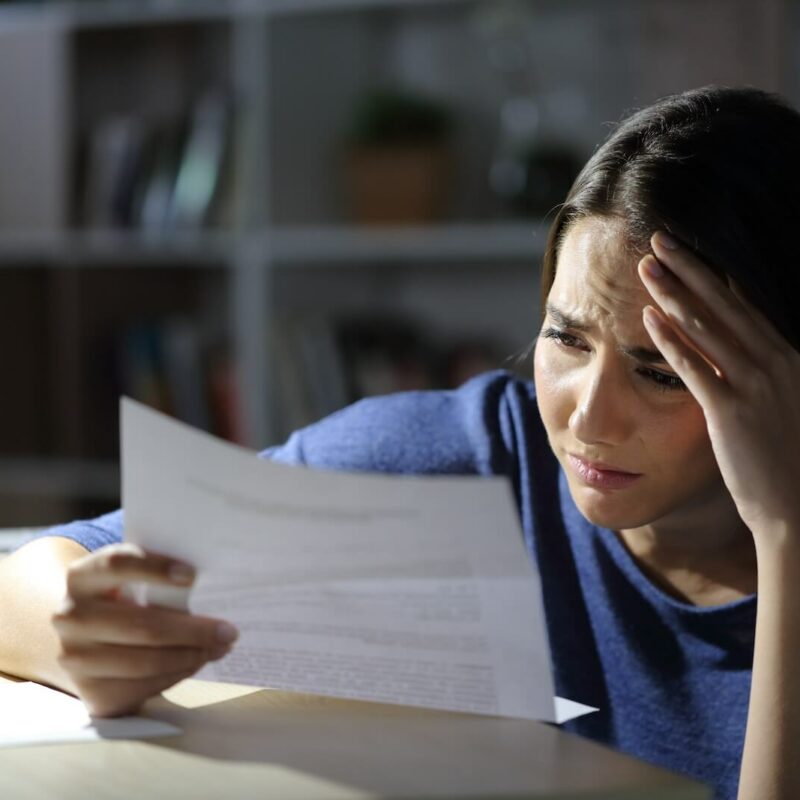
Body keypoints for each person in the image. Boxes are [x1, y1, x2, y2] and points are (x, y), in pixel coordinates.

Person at [1, 84, 798, 800]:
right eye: (566, 337)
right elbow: (28, 577)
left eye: (661, 373)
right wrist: (84, 638)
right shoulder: (476, 458)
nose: (589, 418)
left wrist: (786, 530)